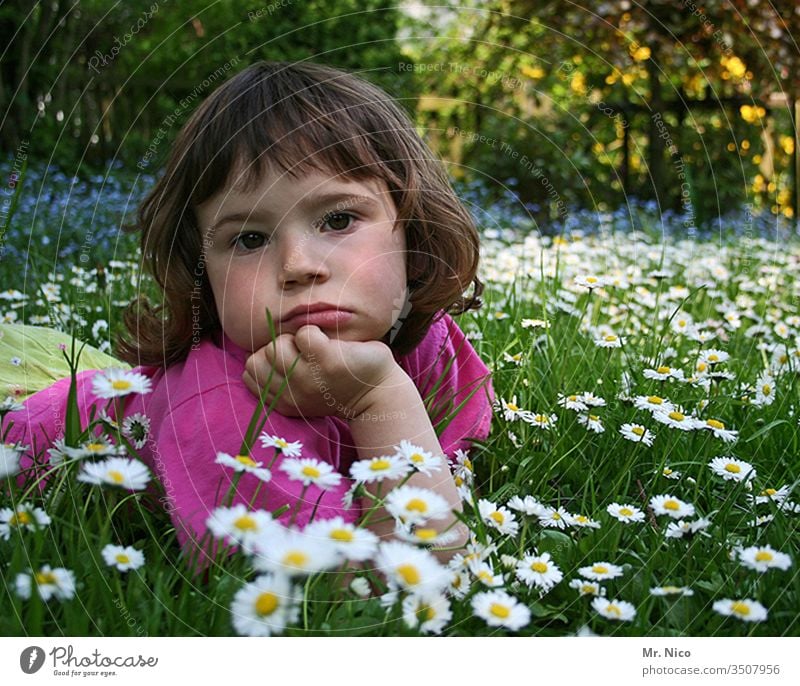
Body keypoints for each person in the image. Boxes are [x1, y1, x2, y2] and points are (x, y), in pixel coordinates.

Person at [5, 61, 494, 563]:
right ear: (200, 272)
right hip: (29, 428)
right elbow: (369, 584)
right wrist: (377, 399)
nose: (299, 266)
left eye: (339, 219)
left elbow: (465, 440)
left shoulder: (429, 344)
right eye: (250, 238)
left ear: (412, 233)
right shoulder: (218, 408)